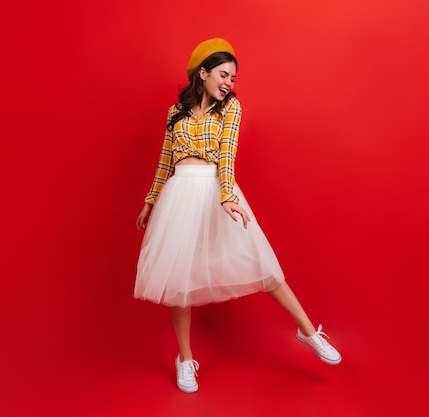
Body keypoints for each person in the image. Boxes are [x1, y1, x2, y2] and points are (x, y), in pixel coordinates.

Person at [135, 37, 341, 393]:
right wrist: (150, 200)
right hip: (179, 193)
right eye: (223, 74)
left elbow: (227, 155)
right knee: (179, 282)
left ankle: (308, 332)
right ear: (203, 73)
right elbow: (165, 161)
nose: (229, 83)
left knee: (262, 263)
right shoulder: (176, 113)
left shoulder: (230, 108)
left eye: (233, 78)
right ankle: (185, 359)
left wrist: (227, 196)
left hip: (215, 190)